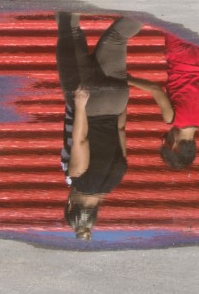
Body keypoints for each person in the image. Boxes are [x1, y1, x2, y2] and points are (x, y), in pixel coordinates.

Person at [56, 12, 143, 239]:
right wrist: (80, 105)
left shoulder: (115, 180)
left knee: (117, 38)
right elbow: (81, 140)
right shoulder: (80, 179)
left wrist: (120, 100)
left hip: (116, 102)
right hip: (90, 104)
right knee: (69, 32)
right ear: (70, 205)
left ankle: (152, 9)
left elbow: (120, 130)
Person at [126, 36, 199, 170]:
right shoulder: (172, 118)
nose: (166, 135)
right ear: (174, 145)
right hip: (177, 54)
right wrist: (129, 80)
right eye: (165, 139)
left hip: (197, 58)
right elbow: (155, 89)